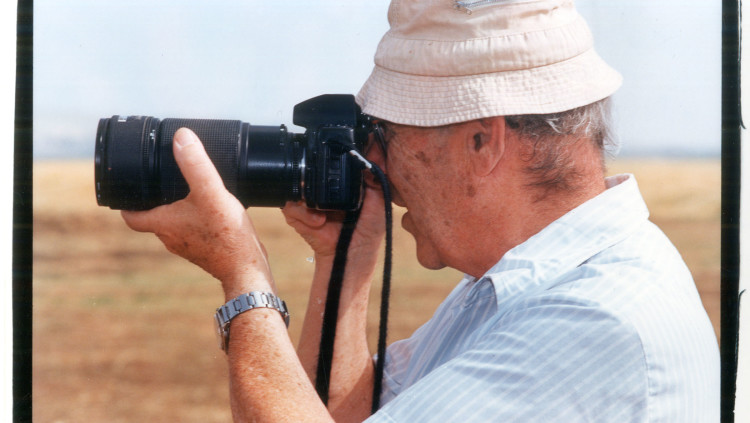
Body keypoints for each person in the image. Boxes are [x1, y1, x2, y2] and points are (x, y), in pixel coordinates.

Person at [121, 0, 720, 421]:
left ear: (482, 141)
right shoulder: (521, 287)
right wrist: (346, 259)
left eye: (386, 135)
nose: (374, 162)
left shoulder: (592, 324)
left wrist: (244, 278)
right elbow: (341, 416)